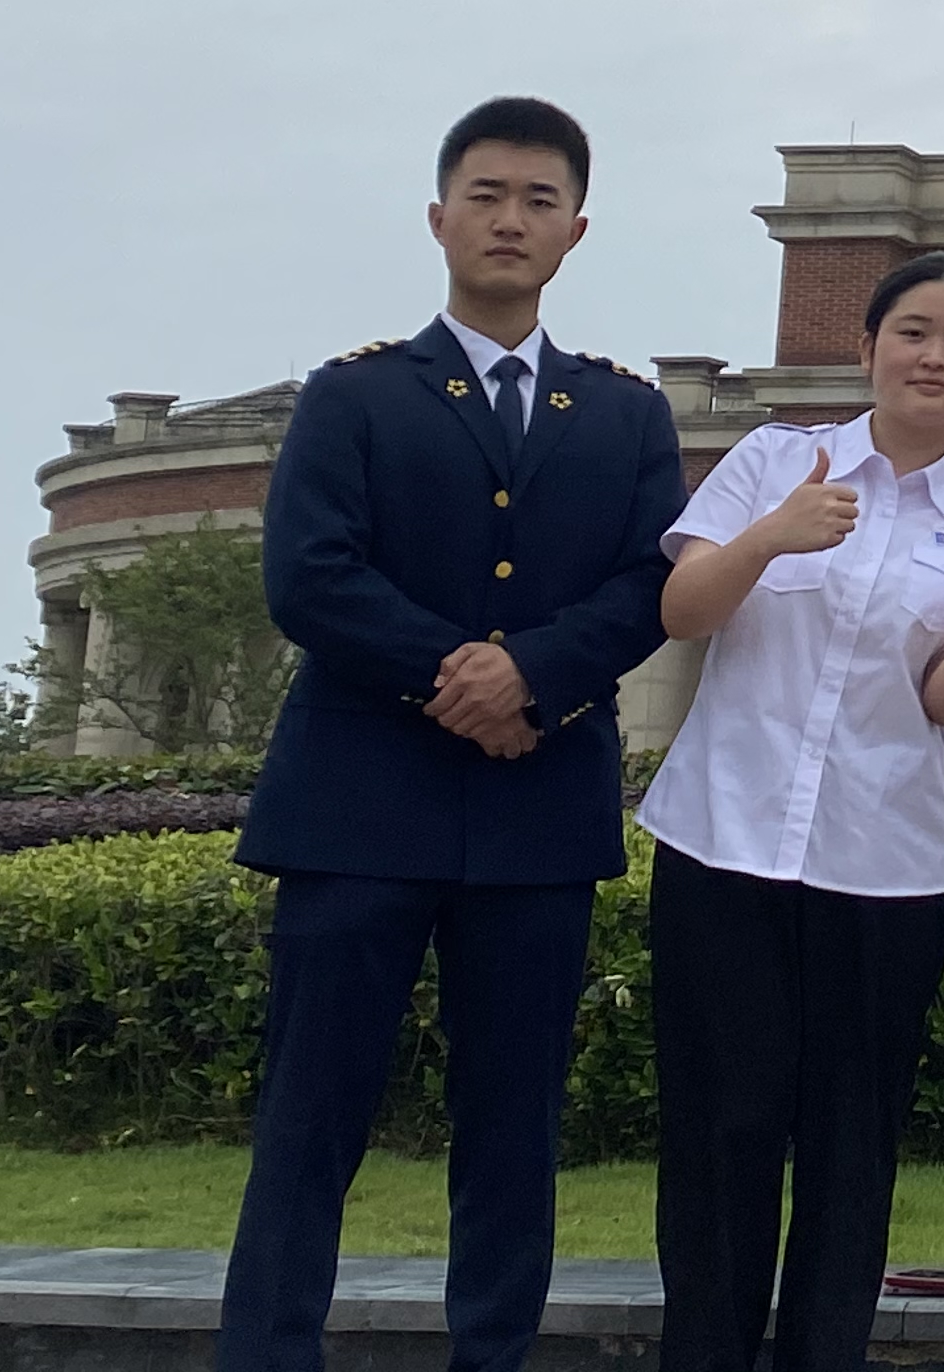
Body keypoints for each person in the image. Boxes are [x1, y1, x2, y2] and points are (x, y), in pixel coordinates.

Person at [220, 99, 685, 1372]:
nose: (511, 219)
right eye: (487, 194)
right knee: (310, 1122)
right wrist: (459, 676)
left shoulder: (627, 414)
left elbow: (651, 585)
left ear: (576, 231)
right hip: (357, 809)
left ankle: (493, 1354)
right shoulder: (355, 395)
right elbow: (308, 577)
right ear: (439, 217)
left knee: (512, 1132)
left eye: (540, 200)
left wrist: (531, 676)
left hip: (536, 820)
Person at [641, 249, 944, 1372]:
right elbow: (682, 610)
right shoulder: (773, 460)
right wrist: (772, 535)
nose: (935, 354)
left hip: (881, 871)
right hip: (724, 847)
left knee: (852, 1151)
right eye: (913, 330)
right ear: (866, 348)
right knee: (722, 1137)